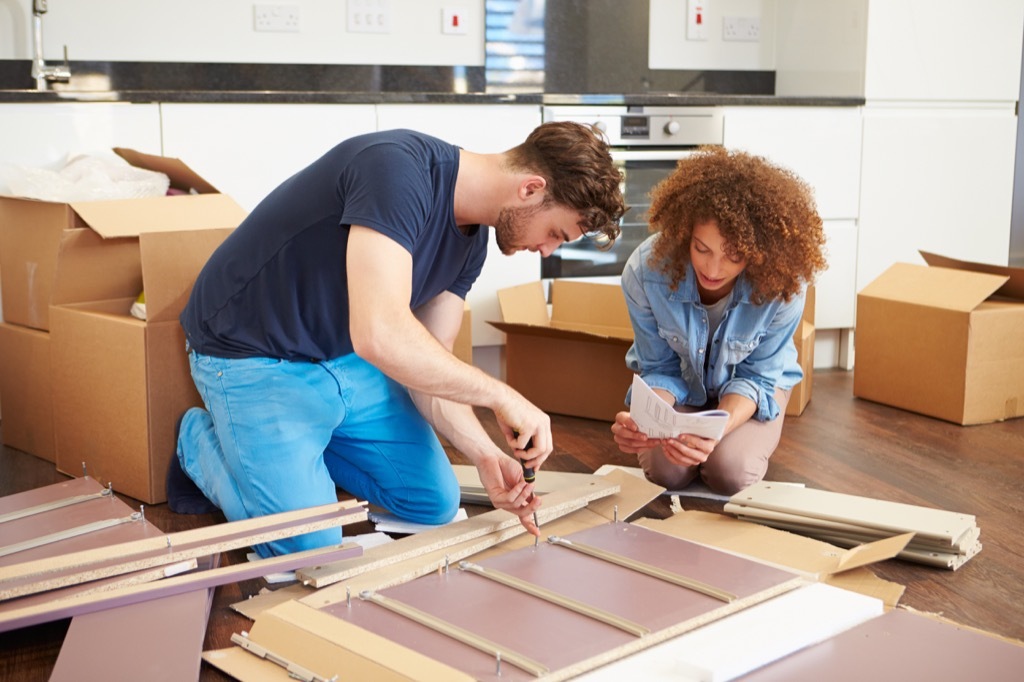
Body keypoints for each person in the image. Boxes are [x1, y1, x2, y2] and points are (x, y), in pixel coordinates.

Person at [169, 123, 627, 556]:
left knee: (433, 503)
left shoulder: (473, 245)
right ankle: (199, 441)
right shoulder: (396, 170)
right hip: (252, 350)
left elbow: (428, 363)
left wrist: (485, 454)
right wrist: (499, 394)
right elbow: (380, 335)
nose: (547, 251)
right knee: (308, 549)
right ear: (530, 188)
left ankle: (302, 448)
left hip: (341, 354)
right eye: (555, 233)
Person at [610, 146, 825, 495]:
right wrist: (646, 421)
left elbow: (756, 378)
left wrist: (715, 431)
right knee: (667, 471)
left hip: (752, 390)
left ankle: (718, 452)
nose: (712, 270)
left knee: (730, 472)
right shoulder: (645, 271)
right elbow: (659, 367)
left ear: (758, 252)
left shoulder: (784, 284)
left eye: (733, 256)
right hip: (683, 382)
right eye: (701, 248)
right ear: (684, 234)